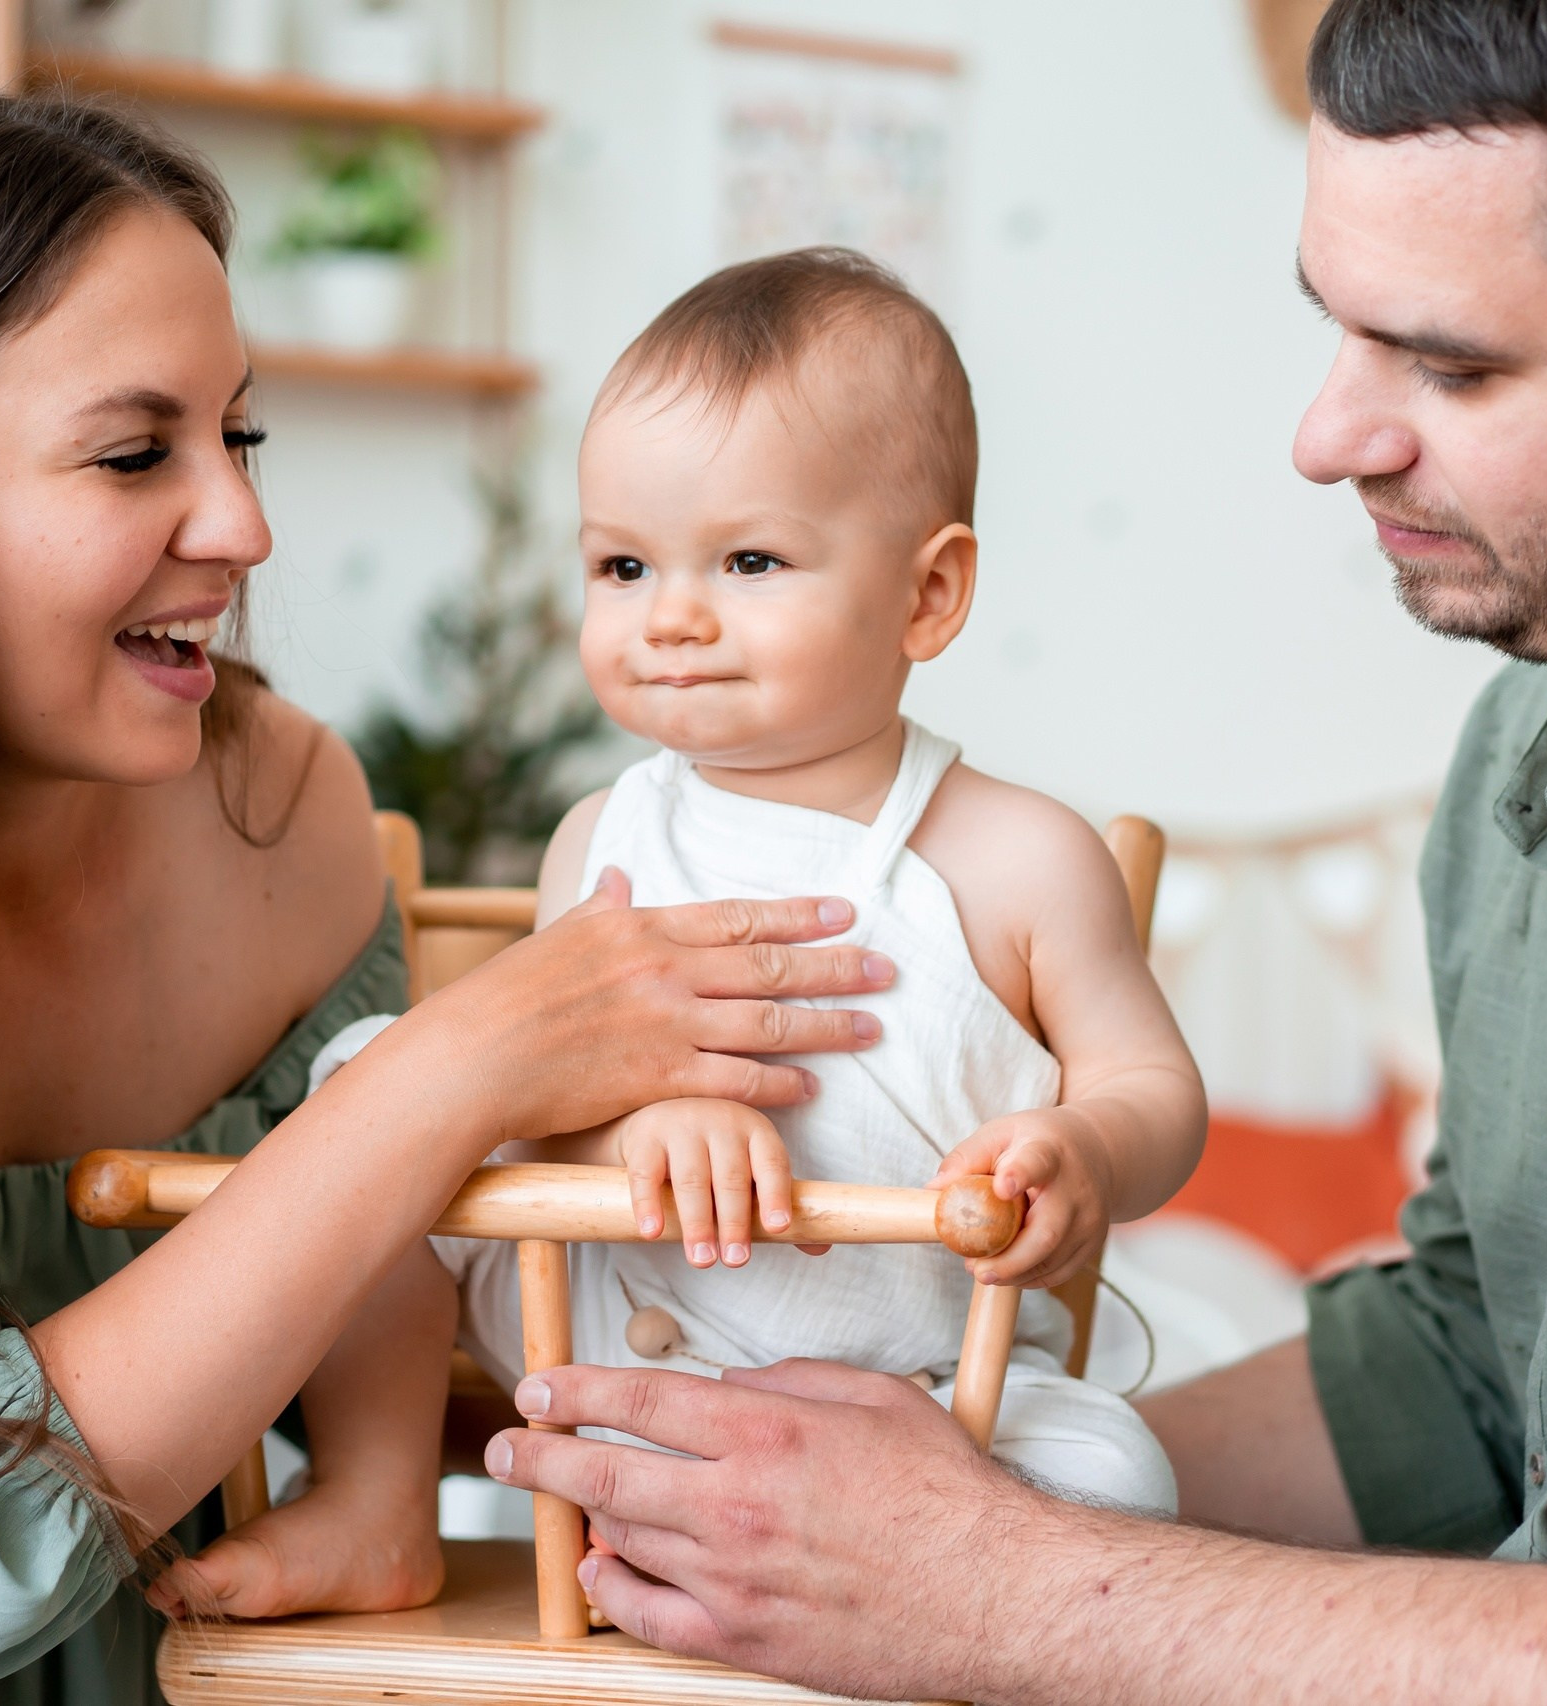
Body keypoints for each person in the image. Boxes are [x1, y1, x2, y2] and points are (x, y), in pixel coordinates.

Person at [477, 3, 1547, 1702]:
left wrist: (993, 1578)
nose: (1328, 436)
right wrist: (901, 1470)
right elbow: (1476, 1359)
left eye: (1452, 364)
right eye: (1340, 332)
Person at [0, 89, 895, 1706]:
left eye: (238, 434)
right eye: (131, 450)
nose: (243, 525)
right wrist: (451, 1072)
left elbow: (369, 1350)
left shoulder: (279, 811)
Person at [160, 250, 1207, 1613]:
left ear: (928, 594)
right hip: (606, 1367)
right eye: (624, 562)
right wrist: (626, 1130)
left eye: (751, 559)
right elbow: (524, 1093)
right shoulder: (603, 840)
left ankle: (881, 1596)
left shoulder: (1016, 854)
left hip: (912, 1418)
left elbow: (1156, 1090)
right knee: (374, 1084)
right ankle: (373, 1496)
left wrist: (1084, 1146)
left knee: (1124, 1481)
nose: (674, 613)